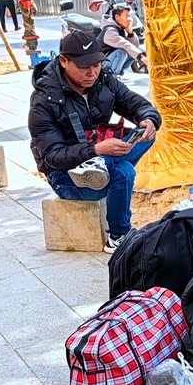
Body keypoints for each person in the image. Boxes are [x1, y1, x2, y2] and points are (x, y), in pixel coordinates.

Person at [28, 31, 161, 254]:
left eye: (96, 65)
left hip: (98, 151)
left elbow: (136, 103)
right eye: (84, 67)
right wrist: (96, 150)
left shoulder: (104, 79)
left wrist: (149, 119)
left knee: (146, 134)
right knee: (123, 172)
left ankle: (103, 164)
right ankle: (118, 236)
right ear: (64, 61)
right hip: (65, 175)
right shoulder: (44, 99)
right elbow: (52, 156)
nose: (92, 72)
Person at [97, 4, 147, 78]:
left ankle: (119, 74)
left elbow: (134, 46)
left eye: (129, 16)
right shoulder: (110, 31)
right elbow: (125, 44)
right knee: (121, 52)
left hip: (108, 61)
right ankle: (112, 77)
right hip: (99, 66)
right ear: (117, 17)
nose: (129, 19)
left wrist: (130, 32)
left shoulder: (121, 28)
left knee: (131, 52)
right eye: (126, 16)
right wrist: (141, 57)